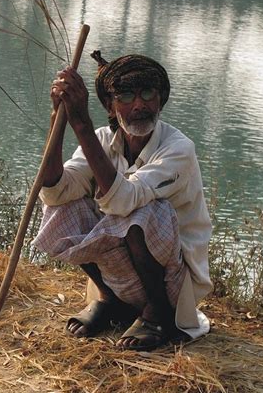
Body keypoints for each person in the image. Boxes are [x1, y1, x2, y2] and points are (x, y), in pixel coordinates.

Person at [32, 52, 213, 351]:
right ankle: (110, 298)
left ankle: (158, 314)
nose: (139, 104)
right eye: (126, 96)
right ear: (110, 106)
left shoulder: (178, 148)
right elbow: (55, 191)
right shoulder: (103, 140)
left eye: (147, 94)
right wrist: (59, 120)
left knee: (142, 211)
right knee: (62, 207)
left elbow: (125, 200)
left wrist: (82, 126)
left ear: (160, 100)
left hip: (174, 282)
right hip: (124, 275)